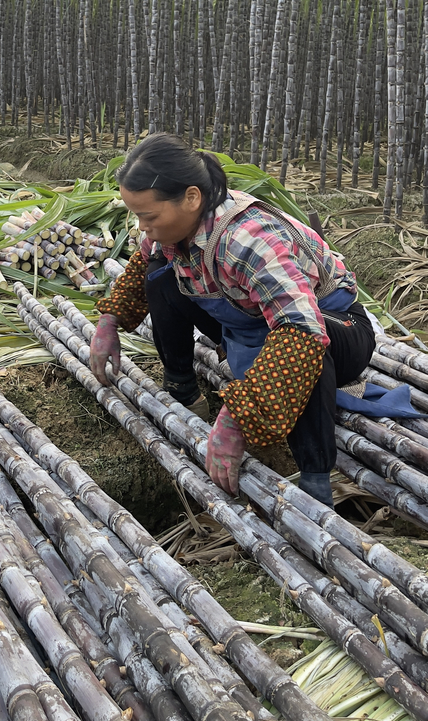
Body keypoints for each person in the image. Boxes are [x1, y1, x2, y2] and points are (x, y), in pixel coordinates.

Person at [89, 134, 375, 506]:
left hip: (335, 324)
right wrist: (111, 320)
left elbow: (301, 329)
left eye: (149, 216)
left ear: (191, 198)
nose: (142, 227)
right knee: (159, 276)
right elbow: (144, 264)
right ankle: (183, 390)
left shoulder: (248, 238)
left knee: (304, 351)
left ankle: (317, 478)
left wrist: (237, 419)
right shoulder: (172, 232)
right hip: (248, 323)